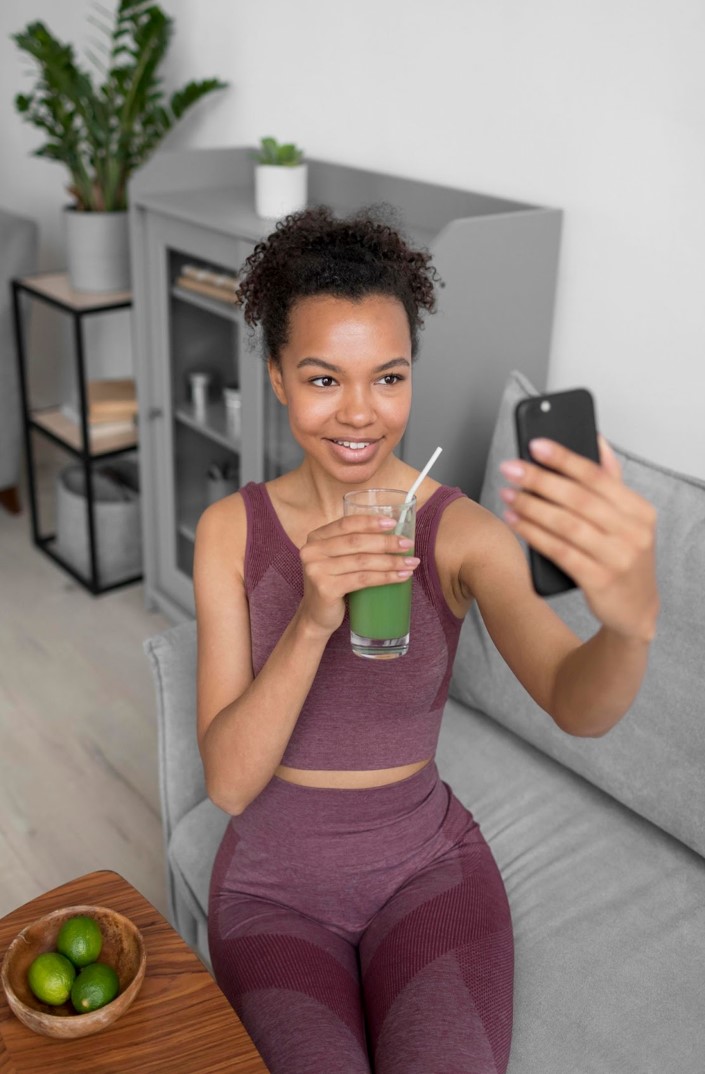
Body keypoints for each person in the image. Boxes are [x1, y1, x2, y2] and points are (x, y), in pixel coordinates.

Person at [194, 205, 659, 1074]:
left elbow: (572, 698)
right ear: (277, 378)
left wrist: (628, 626)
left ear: (412, 377)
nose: (361, 415)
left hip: (427, 873)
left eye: (390, 377)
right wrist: (310, 619)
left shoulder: (462, 533)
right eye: (324, 380)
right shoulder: (231, 531)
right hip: (271, 889)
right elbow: (226, 781)